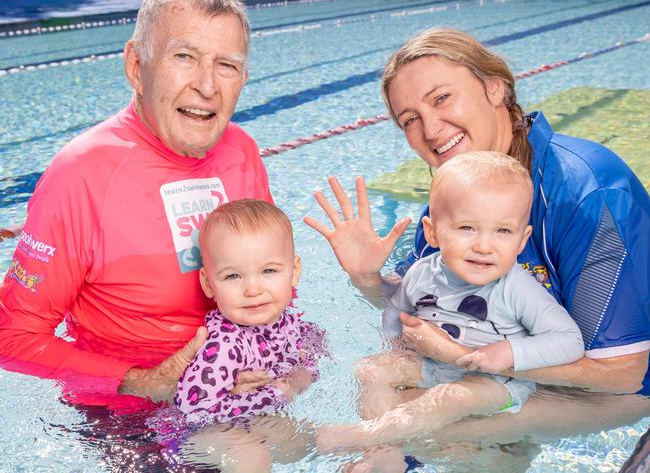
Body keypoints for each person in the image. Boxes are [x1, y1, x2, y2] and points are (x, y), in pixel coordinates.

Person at [304, 28, 650, 450]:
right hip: (511, 365)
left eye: (442, 98)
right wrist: (368, 279)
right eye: (409, 119)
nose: (430, 130)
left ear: (495, 88)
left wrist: (457, 358)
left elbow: (624, 372)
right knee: (389, 395)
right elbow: (427, 306)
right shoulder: (454, 198)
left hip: (618, 385)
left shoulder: (587, 193)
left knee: (433, 433)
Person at [0, 0, 273, 407]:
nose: (206, 85)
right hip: (132, 417)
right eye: (184, 57)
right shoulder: (81, 175)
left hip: (240, 388)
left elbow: (272, 287)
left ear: (244, 79)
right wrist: (144, 382)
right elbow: (13, 337)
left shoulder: (242, 152)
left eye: (226, 65)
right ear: (135, 65)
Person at [316, 152, 584, 469]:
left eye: (503, 231)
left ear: (523, 239)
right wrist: (394, 346)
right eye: (468, 228)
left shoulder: (517, 288)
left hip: (498, 385)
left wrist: (510, 352)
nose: (485, 245)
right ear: (433, 232)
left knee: (455, 397)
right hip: (433, 368)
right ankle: (386, 455)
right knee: (371, 370)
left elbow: (569, 340)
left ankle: (371, 436)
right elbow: (395, 309)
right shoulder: (421, 272)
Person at [173, 199, 324, 472]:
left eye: (268, 271)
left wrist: (304, 373)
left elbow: (313, 344)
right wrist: (275, 394)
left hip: (248, 421)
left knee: (305, 439)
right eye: (233, 276)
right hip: (195, 441)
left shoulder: (289, 324)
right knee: (251, 456)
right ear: (209, 284)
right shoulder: (222, 346)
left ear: (294, 272)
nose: (252, 289)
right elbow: (194, 414)